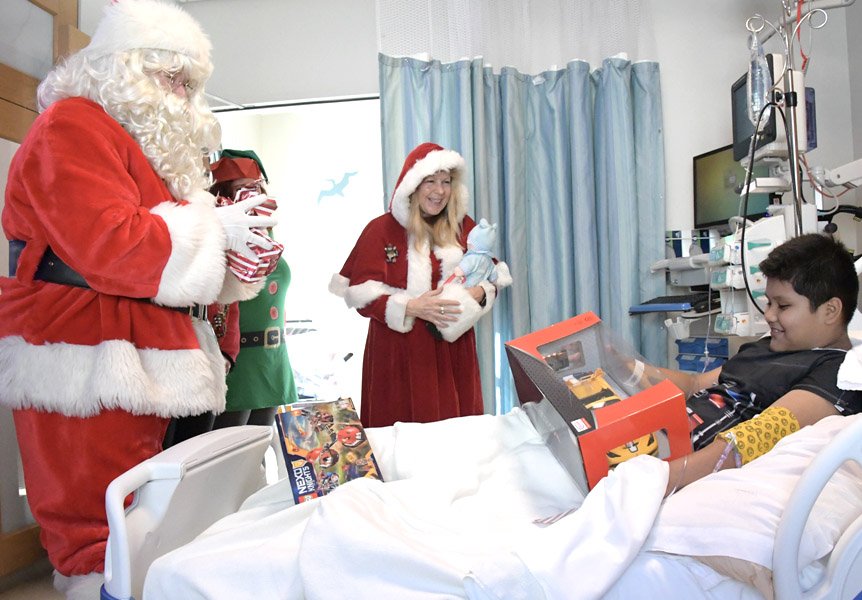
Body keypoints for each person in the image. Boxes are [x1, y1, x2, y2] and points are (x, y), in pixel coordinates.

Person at [0, 1, 273, 597]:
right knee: (100, 534)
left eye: (189, 83)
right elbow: (108, 243)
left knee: (162, 521)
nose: (180, 94)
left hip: (149, 355)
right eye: (167, 76)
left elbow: (164, 252)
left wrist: (233, 260)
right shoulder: (71, 125)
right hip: (85, 358)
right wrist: (216, 236)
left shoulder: (142, 149)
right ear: (122, 67)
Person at [643, 233, 862, 496]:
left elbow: (750, 441)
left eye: (783, 305)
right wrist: (624, 366)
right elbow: (693, 385)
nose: (769, 315)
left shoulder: (839, 372)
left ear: (830, 311)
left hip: (679, 471)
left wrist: (655, 481)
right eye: (769, 303)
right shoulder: (768, 345)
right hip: (656, 444)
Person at [330, 142, 512, 427]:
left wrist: (481, 293)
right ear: (413, 185)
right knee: (399, 439)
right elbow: (360, 296)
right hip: (398, 353)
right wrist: (412, 306)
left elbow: (491, 274)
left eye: (445, 182)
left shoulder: (463, 226)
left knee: (457, 435)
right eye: (430, 181)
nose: (439, 191)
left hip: (454, 351)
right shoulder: (380, 230)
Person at [210, 150, 299, 429]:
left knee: (259, 456)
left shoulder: (265, 232)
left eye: (256, 186)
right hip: (238, 360)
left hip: (272, 358)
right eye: (241, 188)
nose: (252, 193)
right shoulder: (217, 234)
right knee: (231, 458)